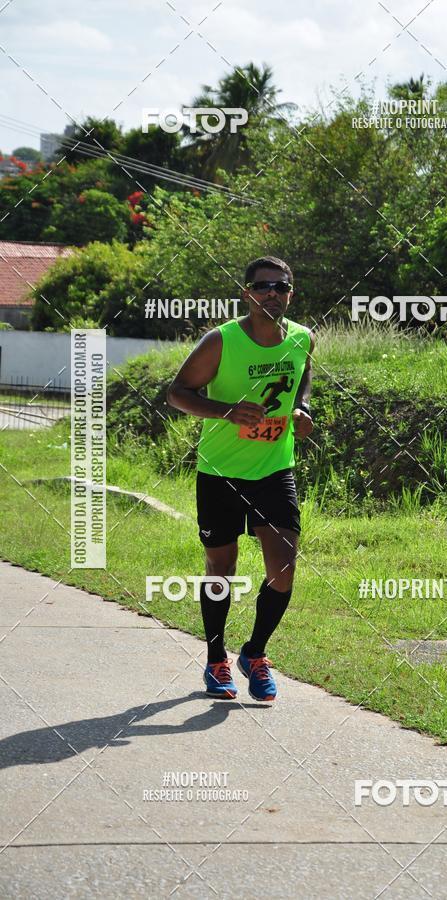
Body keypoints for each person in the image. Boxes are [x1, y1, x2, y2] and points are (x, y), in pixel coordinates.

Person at [167, 256, 314, 702]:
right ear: (247, 293)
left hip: (274, 469)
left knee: (283, 569)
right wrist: (227, 412)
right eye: (263, 286)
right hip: (220, 472)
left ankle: (254, 653)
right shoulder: (221, 341)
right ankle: (216, 659)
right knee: (222, 569)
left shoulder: (303, 338)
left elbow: (302, 377)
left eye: (281, 287)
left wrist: (303, 408)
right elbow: (177, 393)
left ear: (291, 294)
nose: (272, 293)